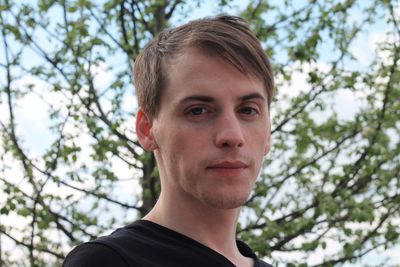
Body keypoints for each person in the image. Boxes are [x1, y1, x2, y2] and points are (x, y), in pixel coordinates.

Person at [63, 15, 274, 267]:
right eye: (197, 110)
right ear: (147, 129)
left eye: (248, 110)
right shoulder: (107, 262)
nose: (232, 136)